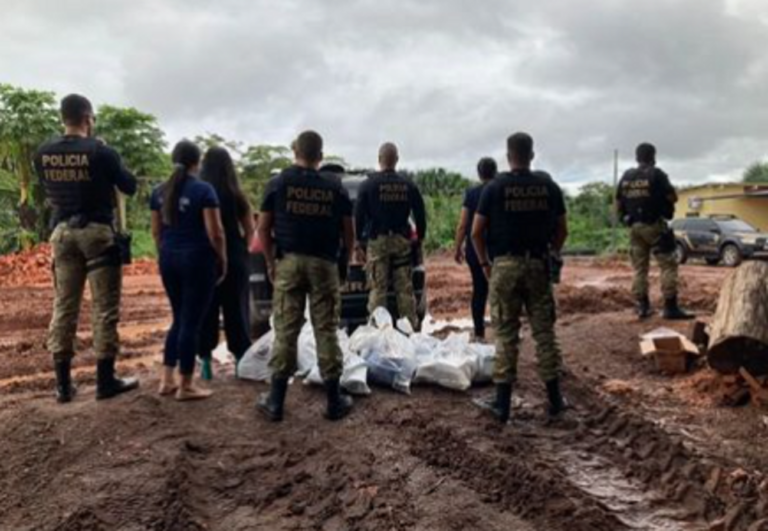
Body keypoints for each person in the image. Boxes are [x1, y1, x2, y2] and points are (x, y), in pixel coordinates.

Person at [35, 94, 140, 403]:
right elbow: (129, 186)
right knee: (104, 308)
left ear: (62, 118)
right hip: (96, 234)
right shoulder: (101, 152)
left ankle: (63, 387)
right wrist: (108, 155)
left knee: (64, 306)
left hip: (62, 235)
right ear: (87, 119)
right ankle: (105, 381)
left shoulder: (43, 153)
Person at [256, 130, 355, 422]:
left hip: (289, 262)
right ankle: (334, 401)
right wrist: (344, 262)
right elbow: (348, 232)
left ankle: (275, 401)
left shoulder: (278, 183)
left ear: (294, 151)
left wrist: (271, 262)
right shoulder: (335, 187)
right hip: (324, 265)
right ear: (321, 157)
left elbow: (263, 228)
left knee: (286, 329)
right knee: (326, 329)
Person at [471, 132, 569, 424]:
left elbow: (476, 231)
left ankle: (502, 404)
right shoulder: (548, 186)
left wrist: (486, 264)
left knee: (505, 333)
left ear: (508, 154)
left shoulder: (494, 187)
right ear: (532, 154)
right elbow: (563, 229)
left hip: (504, 266)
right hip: (538, 265)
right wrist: (552, 251)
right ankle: (554, 399)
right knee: (544, 333)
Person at [150, 140, 227, 401]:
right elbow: (215, 232)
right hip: (197, 260)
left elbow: (156, 232)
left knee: (179, 318)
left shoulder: (159, 191)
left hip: (169, 258)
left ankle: (166, 379)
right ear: (198, 162)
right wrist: (222, 259)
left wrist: (167, 254)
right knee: (191, 323)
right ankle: (186, 384)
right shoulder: (204, 190)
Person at [198, 146, 256, 379]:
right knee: (237, 311)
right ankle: (241, 361)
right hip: (235, 258)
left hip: (205, 258)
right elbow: (251, 230)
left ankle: (205, 364)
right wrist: (244, 251)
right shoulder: (237, 195)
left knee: (207, 311)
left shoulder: (200, 193)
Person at [355, 143, 426, 330]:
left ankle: (378, 333)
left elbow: (358, 216)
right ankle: (410, 331)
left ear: (379, 160)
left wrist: (358, 243)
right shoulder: (408, 185)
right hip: (402, 241)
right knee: (404, 290)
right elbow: (420, 215)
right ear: (396, 160)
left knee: (378, 289)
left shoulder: (367, 186)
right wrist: (419, 240)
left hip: (377, 243)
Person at [615, 143, 691, 320]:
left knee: (640, 268)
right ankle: (670, 307)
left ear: (637, 157)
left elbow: (618, 203)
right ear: (653, 157)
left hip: (634, 228)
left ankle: (642, 306)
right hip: (655, 226)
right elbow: (673, 197)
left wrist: (626, 217)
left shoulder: (627, 176)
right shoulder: (657, 174)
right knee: (668, 265)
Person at [453, 157, 497, 340]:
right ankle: (505, 330)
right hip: (497, 248)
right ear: (495, 172)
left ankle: (479, 333)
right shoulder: (500, 190)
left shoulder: (471, 193)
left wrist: (457, 247)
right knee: (502, 290)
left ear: (479, 174)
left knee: (479, 290)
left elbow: (463, 224)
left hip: (474, 249)